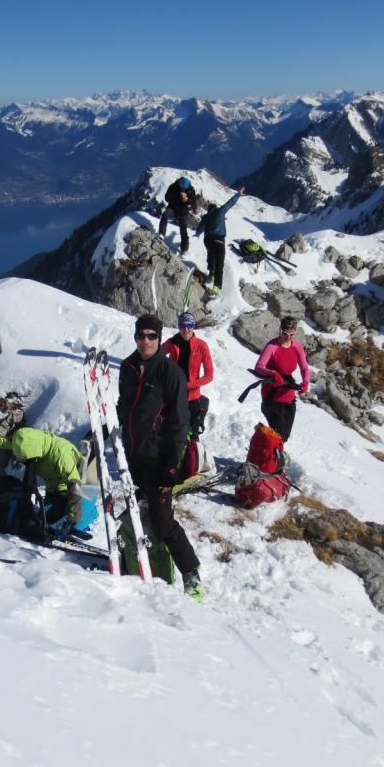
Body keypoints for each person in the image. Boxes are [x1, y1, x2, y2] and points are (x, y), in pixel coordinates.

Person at [118, 313, 204, 602]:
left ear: (159, 338)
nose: (146, 341)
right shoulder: (127, 367)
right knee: (134, 514)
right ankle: (131, 562)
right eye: (141, 335)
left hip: (159, 460)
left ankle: (191, 574)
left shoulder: (170, 373)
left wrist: (171, 466)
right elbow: (124, 406)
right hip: (133, 458)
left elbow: (179, 423)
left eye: (151, 336)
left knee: (163, 520)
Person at [0, 426, 85, 535]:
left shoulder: (61, 456)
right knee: (42, 522)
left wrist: (73, 519)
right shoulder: (29, 442)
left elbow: (75, 488)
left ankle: (76, 521)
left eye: (23, 457)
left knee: (62, 523)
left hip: (72, 488)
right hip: (53, 487)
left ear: (32, 451)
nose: (21, 460)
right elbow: (9, 443)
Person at [253, 315, 310, 443]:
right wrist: (274, 374)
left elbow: (305, 368)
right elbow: (259, 367)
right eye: (285, 333)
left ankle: (271, 452)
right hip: (272, 394)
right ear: (280, 330)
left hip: (288, 393)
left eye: (292, 334)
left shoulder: (297, 347)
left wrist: (305, 382)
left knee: (284, 436)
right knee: (279, 435)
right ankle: (266, 453)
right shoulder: (272, 346)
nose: (288, 337)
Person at [160, 312, 213, 438]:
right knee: (172, 434)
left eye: (189, 325)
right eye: (182, 326)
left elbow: (209, 375)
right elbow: (157, 357)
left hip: (193, 398)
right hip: (173, 396)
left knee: (193, 436)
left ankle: (191, 456)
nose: (186, 330)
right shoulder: (172, 342)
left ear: (193, 326)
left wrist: (189, 385)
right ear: (179, 327)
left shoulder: (202, 346)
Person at [196, 185, 244, 294]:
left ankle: (211, 273)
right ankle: (217, 288)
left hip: (207, 240)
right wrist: (238, 195)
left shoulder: (206, 217)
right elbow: (229, 204)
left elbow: (199, 229)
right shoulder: (220, 212)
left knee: (210, 254)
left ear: (209, 210)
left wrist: (197, 234)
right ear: (215, 207)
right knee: (219, 264)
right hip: (219, 240)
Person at [157, 176, 198, 253]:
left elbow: (193, 201)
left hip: (183, 211)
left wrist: (186, 200)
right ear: (179, 183)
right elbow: (167, 198)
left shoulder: (190, 190)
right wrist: (178, 196)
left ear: (188, 186)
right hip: (173, 208)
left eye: (185, 188)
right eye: (181, 187)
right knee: (165, 215)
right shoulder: (173, 186)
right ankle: (161, 235)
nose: (183, 189)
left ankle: (184, 247)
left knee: (183, 227)